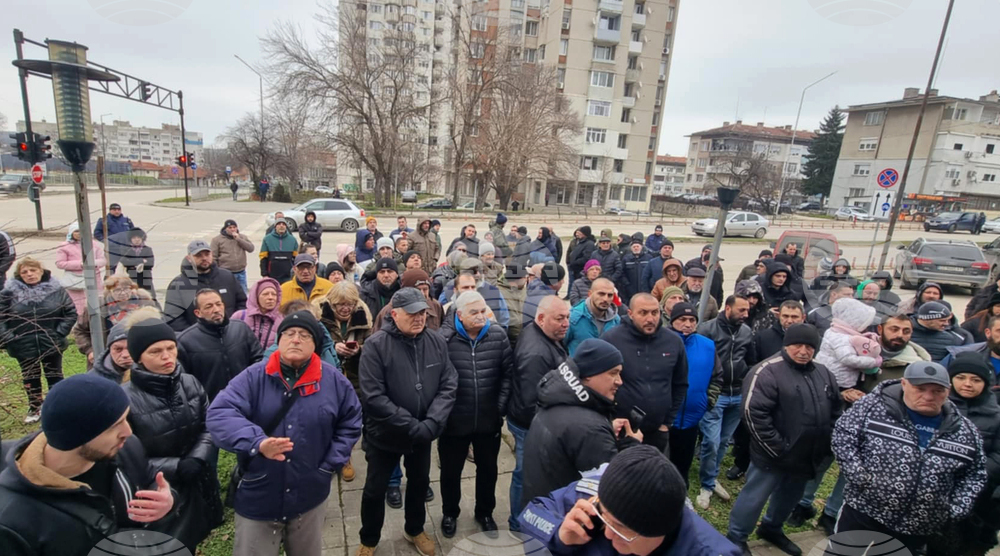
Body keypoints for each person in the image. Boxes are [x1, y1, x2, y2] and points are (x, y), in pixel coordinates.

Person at [208, 311, 362, 556]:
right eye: (289, 333)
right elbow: (220, 413)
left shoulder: (333, 381)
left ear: (315, 344)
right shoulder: (253, 377)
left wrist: (329, 466)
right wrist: (257, 442)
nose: (296, 339)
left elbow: (351, 422)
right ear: (279, 340)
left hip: (310, 495)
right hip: (259, 493)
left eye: (304, 335)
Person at [0, 374, 175, 555]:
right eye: (114, 426)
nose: (127, 431)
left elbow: (148, 479)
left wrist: (167, 500)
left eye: (125, 419)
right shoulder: (12, 523)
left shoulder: (125, 448)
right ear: (75, 437)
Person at [831, 361, 987, 552]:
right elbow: (844, 437)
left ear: (948, 390)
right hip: (864, 511)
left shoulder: (965, 431)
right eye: (920, 389)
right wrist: (859, 476)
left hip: (917, 526)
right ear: (904, 384)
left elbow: (975, 474)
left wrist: (955, 508)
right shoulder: (872, 408)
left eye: (937, 391)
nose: (928, 396)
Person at [357, 288, 457, 556]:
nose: (419, 318)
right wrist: (413, 426)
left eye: (422, 312)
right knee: (375, 490)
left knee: (419, 483)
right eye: (412, 313)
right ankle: (369, 539)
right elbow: (374, 397)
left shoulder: (436, 341)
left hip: (423, 434)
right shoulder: (376, 345)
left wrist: (433, 421)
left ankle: (414, 529)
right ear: (394, 314)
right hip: (385, 435)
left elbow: (448, 383)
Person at [727, 324, 841, 556]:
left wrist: (825, 442)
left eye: (809, 347)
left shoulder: (823, 373)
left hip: (806, 454)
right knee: (755, 497)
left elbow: (835, 409)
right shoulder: (766, 371)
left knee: (790, 496)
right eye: (797, 345)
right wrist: (779, 448)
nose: (803, 351)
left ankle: (772, 527)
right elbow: (753, 414)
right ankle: (736, 536)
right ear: (786, 345)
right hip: (773, 453)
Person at [518, 445, 741, 556]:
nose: (607, 533)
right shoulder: (603, 497)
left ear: (660, 532)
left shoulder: (707, 551)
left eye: (621, 529)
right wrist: (559, 535)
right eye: (604, 517)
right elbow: (530, 514)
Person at [122, 316, 221, 551]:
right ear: (138, 357)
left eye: (170, 348)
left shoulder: (190, 383)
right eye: (155, 351)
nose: (167, 356)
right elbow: (123, 457)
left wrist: (197, 457)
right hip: (158, 492)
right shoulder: (124, 399)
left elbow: (210, 424)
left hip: (198, 481)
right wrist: (175, 466)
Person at [521, 338, 644, 506]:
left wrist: (606, 429)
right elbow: (615, 488)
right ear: (589, 375)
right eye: (613, 373)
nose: (619, 381)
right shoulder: (590, 429)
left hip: (540, 508)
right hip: (565, 516)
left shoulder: (555, 400)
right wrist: (632, 446)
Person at [437, 291, 513, 537]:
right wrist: (443, 415)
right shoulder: (444, 340)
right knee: (450, 472)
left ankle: (485, 513)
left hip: (488, 421)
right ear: (459, 315)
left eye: (483, 311)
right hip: (454, 422)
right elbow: (436, 380)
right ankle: (450, 513)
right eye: (474, 312)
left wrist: (499, 407)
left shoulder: (498, 335)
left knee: (488, 470)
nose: (481, 316)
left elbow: (507, 375)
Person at [927, 353, 1000, 556]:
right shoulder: (932, 408)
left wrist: (971, 477)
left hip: (977, 497)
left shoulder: (996, 417)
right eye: (961, 378)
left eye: (975, 380)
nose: (967, 384)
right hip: (930, 491)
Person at [507, 295, 570, 530]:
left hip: (532, 421)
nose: (566, 324)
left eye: (567, 318)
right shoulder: (536, 353)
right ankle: (518, 522)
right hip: (529, 425)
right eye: (560, 318)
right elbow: (531, 401)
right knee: (526, 475)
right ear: (541, 318)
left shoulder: (543, 334)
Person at [599, 290, 689, 453]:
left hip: (657, 431)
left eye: (654, 313)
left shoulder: (673, 342)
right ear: (630, 314)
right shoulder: (611, 340)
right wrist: (609, 420)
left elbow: (680, 383)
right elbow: (598, 384)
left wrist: (666, 423)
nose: (650, 319)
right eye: (643, 313)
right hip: (621, 430)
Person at [0, 257, 77, 423]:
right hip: (22, 344)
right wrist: (10, 338)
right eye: (25, 272)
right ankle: (35, 407)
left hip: (51, 342)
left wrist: (58, 333)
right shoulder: (8, 294)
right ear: (19, 275)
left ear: (41, 271)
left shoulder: (57, 291)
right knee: (30, 377)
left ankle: (57, 407)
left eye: (33, 270)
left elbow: (70, 312)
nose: (29, 274)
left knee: (54, 375)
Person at [695, 294, 752, 510]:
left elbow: (750, 359)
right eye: (741, 310)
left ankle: (711, 476)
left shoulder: (746, 332)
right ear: (728, 308)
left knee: (724, 440)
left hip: (737, 393)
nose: (745, 314)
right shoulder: (707, 329)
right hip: (716, 394)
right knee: (711, 440)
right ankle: (706, 485)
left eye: (747, 310)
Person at [667, 302, 721, 486]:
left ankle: (681, 493)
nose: (687, 324)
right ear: (672, 320)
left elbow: (717, 376)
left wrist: (708, 401)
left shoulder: (707, 345)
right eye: (682, 319)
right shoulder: (662, 341)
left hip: (692, 418)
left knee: (683, 464)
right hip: (664, 419)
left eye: (692, 320)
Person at [176, 288, 263, 401]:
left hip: (246, 398)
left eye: (218, 304)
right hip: (211, 404)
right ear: (198, 313)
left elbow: (258, 361)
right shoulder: (185, 341)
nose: (216, 310)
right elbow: (183, 382)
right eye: (209, 307)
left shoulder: (241, 329)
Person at [72, 275, 158, 367]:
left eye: (126, 289)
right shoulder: (97, 306)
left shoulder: (144, 303)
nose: (123, 293)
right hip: (106, 358)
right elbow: (79, 330)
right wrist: (90, 350)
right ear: (109, 291)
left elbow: (156, 330)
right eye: (117, 290)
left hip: (138, 356)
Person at [163, 240, 247, 331]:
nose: (204, 258)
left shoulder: (227, 277)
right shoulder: (178, 285)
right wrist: (194, 335)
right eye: (198, 255)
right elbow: (173, 318)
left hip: (230, 333)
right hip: (196, 337)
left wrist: (234, 328)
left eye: (207, 254)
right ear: (189, 258)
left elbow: (242, 303)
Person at [318, 280, 374, 395]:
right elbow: (315, 347)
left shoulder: (364, 320)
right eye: (341, 304)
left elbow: (372, 347)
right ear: (332, 304)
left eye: (350, 304)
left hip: (357, 380)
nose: (346, 308)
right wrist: (333, 348)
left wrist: (359, 350)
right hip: (327, 378)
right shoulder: (320, 320)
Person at [815, 298, 882, 394]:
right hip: (840, 380)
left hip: (830, 375)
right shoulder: (842, 338)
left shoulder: (834, 330)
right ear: (854, 322)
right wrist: (873, 362)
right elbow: (848, 359)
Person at [861, 312, 932, 393]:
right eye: (894, 329)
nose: (900, 335)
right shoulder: (859, 351)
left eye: (906, 331)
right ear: (880, 329)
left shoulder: (916, 367)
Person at [55, 223, 107, 315]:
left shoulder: (94, 245)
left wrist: (92, 263)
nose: (79, 233)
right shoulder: (64, 246)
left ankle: (96, 321)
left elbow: (103, 260)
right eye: (76, 231)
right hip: (75, 280)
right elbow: (60, 263)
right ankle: (79, 320)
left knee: (96, 303)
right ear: (71, 233)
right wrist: (80, 264)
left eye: (82, 231)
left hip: (93, 278)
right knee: (77, 306)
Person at [372, 268, 444, 332]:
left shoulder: (435, 306)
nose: (422, 293)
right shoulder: (390, 310)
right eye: (417, 289)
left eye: (425, 289)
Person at [565, 278, 621, 355]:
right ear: (590, 294)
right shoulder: (573, 318)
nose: (605, 299)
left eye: (610, 295)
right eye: (601, 294)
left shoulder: (616, 321)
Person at [231, 278, 283, 349]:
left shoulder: (282, 320)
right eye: (265, 294)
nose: (270, 298)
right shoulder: (239, 316)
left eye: (274, 294)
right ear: (256, 297)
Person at [750, 300, 804, 365]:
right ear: (778, 316)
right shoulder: (762, 338)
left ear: (803, 318)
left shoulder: (812, 337)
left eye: (794, 317)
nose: (789, 321)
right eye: (785, 316)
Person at [211, 219, 255, 292]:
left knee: (242, 293)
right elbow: (213, 257)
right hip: (226, 272)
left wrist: (239, 239)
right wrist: (216, 272)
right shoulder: (217, 240)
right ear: (225, 229)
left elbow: (251, 248)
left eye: (234, 227)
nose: (232, 229)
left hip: (241, 272)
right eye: (230, 227)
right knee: (227, 293)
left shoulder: (242, 237)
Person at [117, 228, 156, 298]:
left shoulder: (147, 249)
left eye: (139, 238)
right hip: (131, 277)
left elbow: (150, 263)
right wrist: (141, 261)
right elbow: (124, 261)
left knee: (150, 297)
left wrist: (133, 262)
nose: (137, 240)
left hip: (145, 278)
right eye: (134, 238)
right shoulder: (126, 249)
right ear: (130, 239)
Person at [259, 219, 300, 284]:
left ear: (286, 227)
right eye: (279, 224)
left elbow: (297, 259)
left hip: (288, 276)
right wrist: (264, 274)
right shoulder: (267, 239)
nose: (281, 226)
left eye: (283, 224)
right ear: (275, 226)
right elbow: (263, 258)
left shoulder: (292, 240)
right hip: (272, 275)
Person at [498, 263, 529, 346]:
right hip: (507, 340)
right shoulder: (498, 292)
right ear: (520, 278)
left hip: (524, 338)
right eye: (525, 277)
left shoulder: (523, 290)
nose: (526, 280)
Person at [620, 237, 651, 304]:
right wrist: (627, 285)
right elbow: (622, 273)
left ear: (641, 247)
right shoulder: (626, 259)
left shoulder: (648, 258)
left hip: (645, 290)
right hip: (630, 290)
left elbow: (651, 273)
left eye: (637, 246)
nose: (636, 248)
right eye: (634, 247)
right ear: (631, 248)